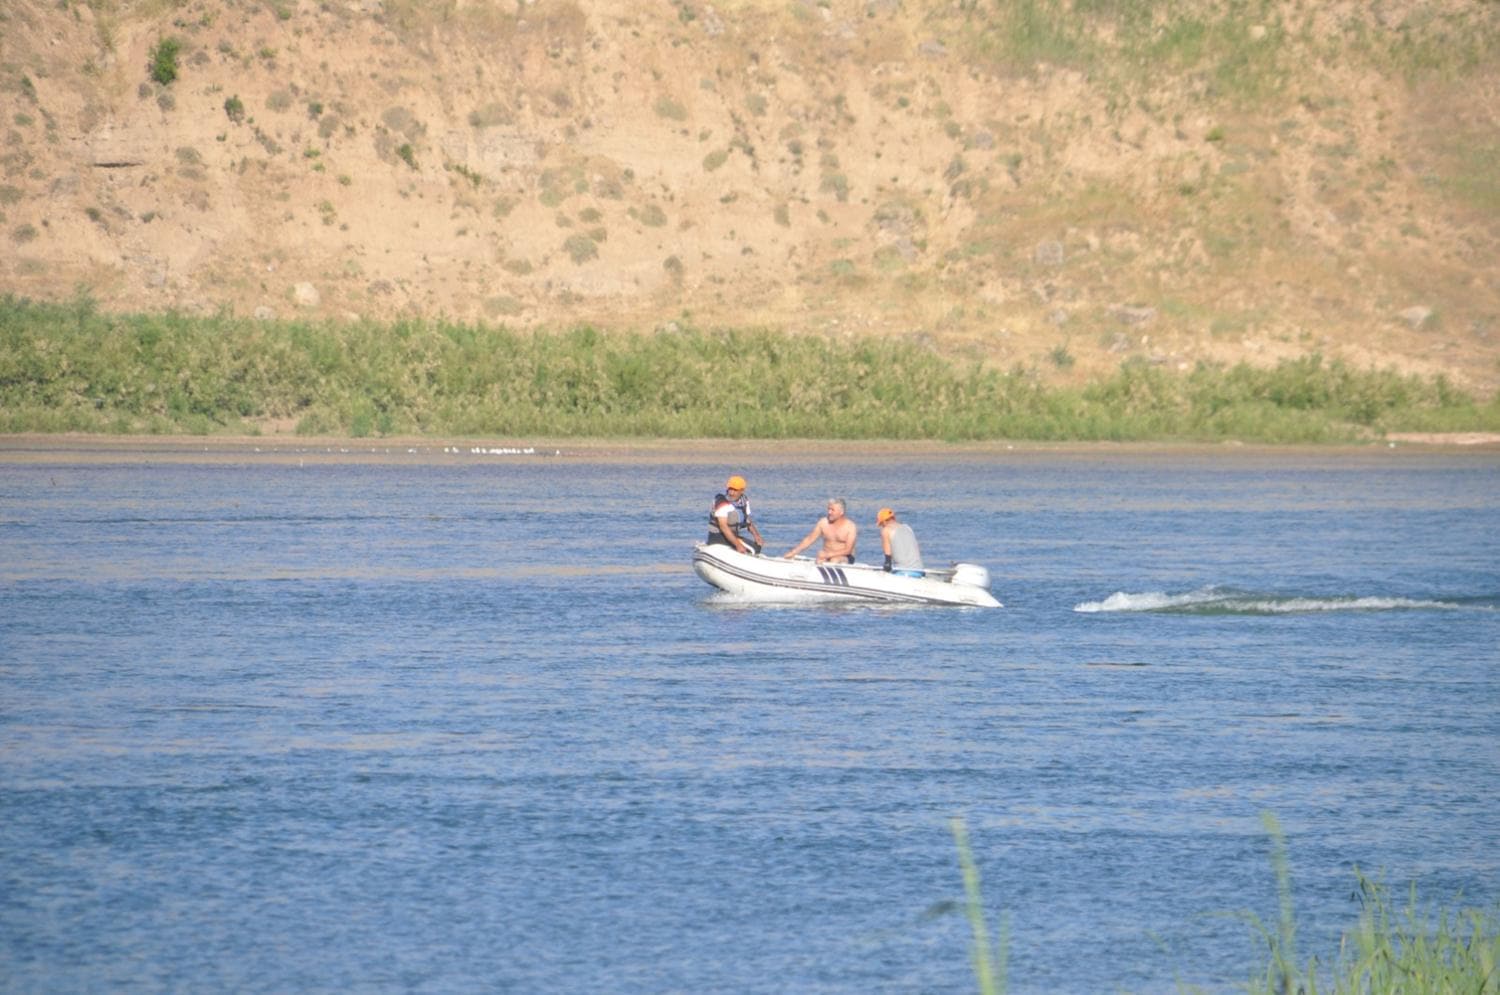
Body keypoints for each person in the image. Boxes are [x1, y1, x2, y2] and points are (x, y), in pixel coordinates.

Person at [784, 497, 857, 563]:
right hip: (826, 555)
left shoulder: (850, 527)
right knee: (819, 561)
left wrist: (828, 555)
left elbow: (848, 550)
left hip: (846, 557)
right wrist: (793, 552)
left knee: (835, 560)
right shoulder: (823, 523)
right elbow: (810, 539)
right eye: (828, 509)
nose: (829, 512)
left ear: (841, 512)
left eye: (832, 510)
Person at [707, 474, 764, 554]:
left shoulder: (744, 500)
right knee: (753, 550)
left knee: (757, 547)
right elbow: (723, 526)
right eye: (730, 489)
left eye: (735, 490)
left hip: (733, 536)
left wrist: (756, 535)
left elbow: (747, 520)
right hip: (718, 537)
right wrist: (738, 545)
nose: (731, 493)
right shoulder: (721, 501)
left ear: (742, 491)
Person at [875, 507, 924, 576]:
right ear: (894, 518)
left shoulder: (886, 530)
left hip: (903, 571)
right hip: (919, 570)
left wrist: (885, 570)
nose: (882, 526)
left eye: (881, 524)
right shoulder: (908, 528)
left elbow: (888, 560)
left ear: (884, 521)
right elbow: (917, 550)